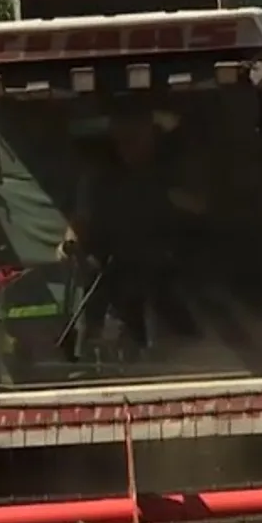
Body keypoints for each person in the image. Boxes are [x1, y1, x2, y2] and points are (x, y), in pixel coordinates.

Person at [56, 103, 207, 359]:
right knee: (107, 340)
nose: (129, 145)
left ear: (152, 134)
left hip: (168, 273)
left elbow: (202, 206)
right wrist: (68, 244)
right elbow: (80, 220)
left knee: (185, 343)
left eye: (136, 136)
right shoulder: (98, 178)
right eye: (123, 138)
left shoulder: (174, 169)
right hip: (111, 276)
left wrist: (164, 194)